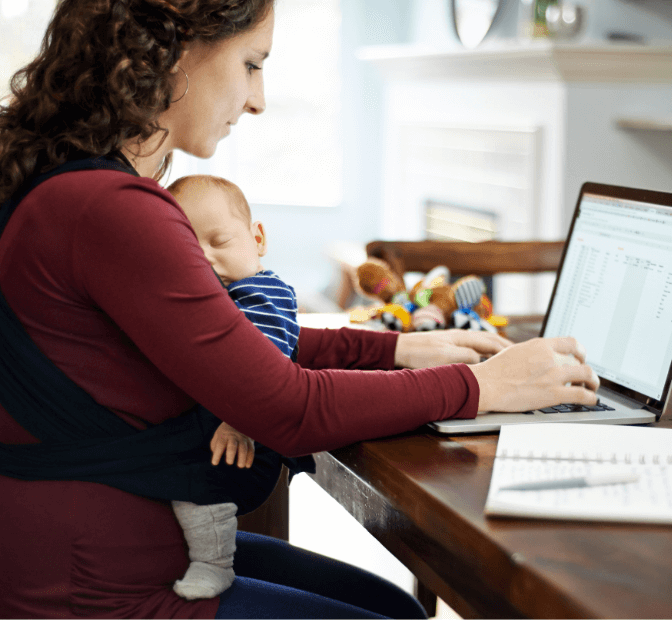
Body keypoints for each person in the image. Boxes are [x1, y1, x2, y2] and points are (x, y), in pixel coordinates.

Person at [0, 0, 599, 617]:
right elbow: (286, 407)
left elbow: (228, 343)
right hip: (96, 592)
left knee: (391, 605)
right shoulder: (111, 208)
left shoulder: (71, 185)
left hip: (119, 554)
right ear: (175, 52)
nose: (258, 99)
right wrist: (479, 386)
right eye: (252, 64)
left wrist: (399, 348)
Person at [165, 173, 308, 601]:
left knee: (193, 487)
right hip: (222, 431)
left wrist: (237, 418)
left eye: (220, 242)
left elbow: (261, 365)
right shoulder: (215, 298)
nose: (205, 258)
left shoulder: (261, 293)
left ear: (257, 238)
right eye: (190, 250)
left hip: (245, 439)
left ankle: (214, 564)